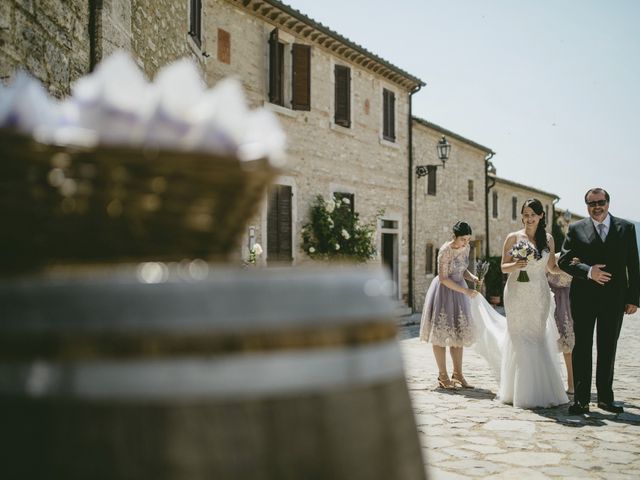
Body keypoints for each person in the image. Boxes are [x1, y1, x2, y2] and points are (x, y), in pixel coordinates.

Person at [468, 199, 569, 409]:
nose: (529, 218)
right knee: (519, 337)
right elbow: (503, 267)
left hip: (539, 293)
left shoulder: (548, 239)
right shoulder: (513, 237)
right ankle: (518, 392)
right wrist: (517, 264)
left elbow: (551, 268)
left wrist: (571, 269)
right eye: (526, 214)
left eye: (533, 214)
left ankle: (543, 391)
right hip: (516, 293)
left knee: (537, 336)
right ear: (522, 216)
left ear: (541, 216)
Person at [559, 188, 640, 415]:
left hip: (614, 299)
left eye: (600, 202)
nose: (597, 206)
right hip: (584, 298)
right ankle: (581, 401)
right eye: (592, 203)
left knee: (607, 347)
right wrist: (588, 271)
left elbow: (633, 265)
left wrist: (634, 298)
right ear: (587, 205)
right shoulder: (576, 229)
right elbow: (565, 261)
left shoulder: (626, 228)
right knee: (582, 347)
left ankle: (605, 398)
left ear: (608, 202)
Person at [419, 221, 479, 389]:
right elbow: (444, 278)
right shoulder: (445, 250)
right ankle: (443, 376)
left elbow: (462, 269)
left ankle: (458, 374)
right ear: (454, 236)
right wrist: (466, 291)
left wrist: (472, 277)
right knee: (441, 334)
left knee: (458, 335)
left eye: (468, 239)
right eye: (463, 239)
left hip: (459, 293)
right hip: (444, 293)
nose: (466, 243)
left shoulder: (466, 248)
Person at [547, 252, 575, 394]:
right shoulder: (552, 258)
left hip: (569, 304)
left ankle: (572, 383)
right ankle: (549, 383)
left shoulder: (579, 261)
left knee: (568, 346)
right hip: (550, 303)